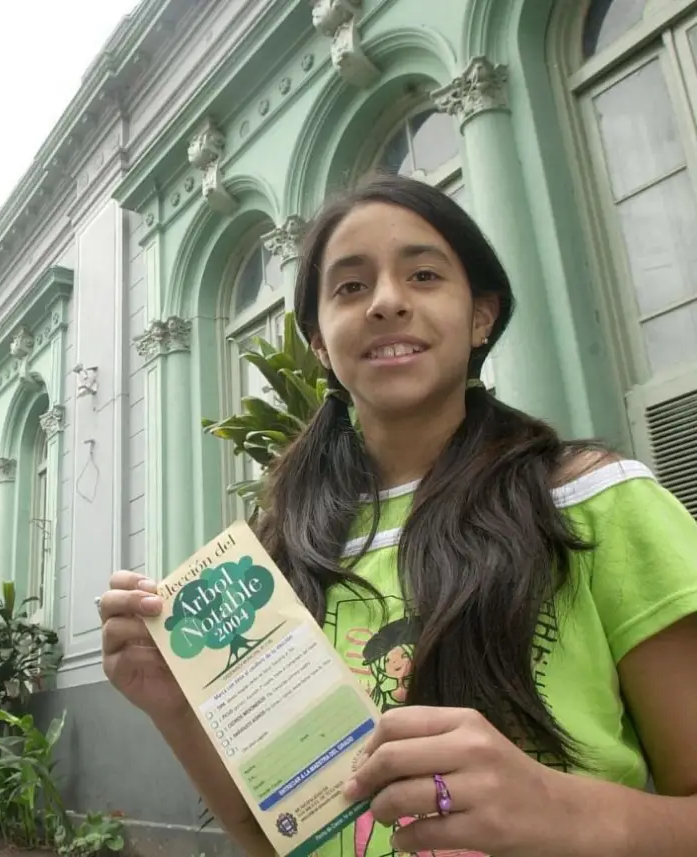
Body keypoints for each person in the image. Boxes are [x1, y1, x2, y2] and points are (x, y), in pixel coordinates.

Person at [99, 173, 697, 857]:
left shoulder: (595, 501)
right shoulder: (282, 554)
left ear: (481, 315)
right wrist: (173, 706)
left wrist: (561, 809)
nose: (387, 302)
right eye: (351, 287)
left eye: (423, 275)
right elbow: (285, 839)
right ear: (320, 342)